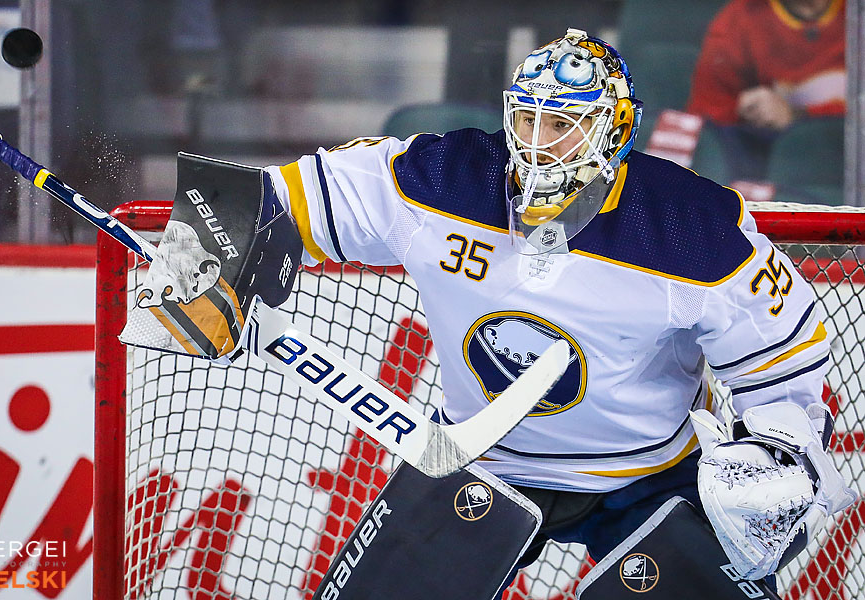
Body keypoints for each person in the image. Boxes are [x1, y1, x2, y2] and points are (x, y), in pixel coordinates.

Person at [138, 27, 855, 598]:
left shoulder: (689, 227)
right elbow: (286, 195)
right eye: (528, 119)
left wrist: (782, 448)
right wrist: (207, 252)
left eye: (566, 126)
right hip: (478, 460)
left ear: (616, 131)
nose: (539, 145)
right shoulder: (443, 178)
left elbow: (784, 355)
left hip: (648, 479)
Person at [685, 0, 845, 180]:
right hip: (777, 174)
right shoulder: (742, 15)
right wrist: (744, 112)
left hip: (846, 171)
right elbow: (705, 112)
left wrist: (798, 115)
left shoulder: (855, 11)